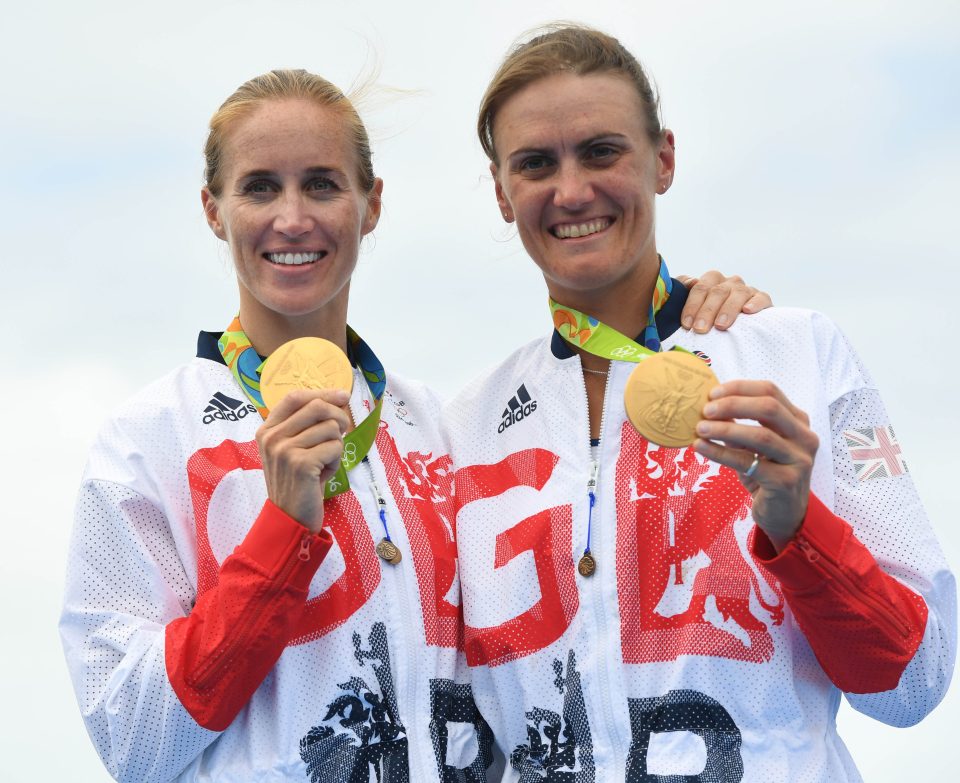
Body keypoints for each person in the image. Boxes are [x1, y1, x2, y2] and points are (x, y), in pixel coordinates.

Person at [58, 68, 768, 782]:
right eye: (260, 187)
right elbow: (134, 737)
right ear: (214, 210)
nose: (294, 217)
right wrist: (278, 537)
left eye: (324, 183)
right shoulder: (149, 439)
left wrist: (688, 309)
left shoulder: (440, 425)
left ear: (371, 205)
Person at [443, 23, 956, 782]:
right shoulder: (466, 424)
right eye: (536, 163)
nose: (572, 189)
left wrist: (799, 527)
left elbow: (913, 681)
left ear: (664, 159)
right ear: (501, 192)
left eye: (602, 150)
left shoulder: (796, 354)